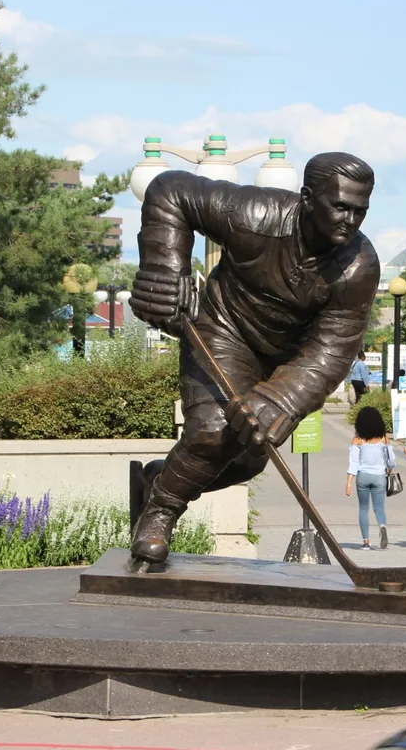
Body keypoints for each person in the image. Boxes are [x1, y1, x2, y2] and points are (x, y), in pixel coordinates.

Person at [126, 152, 379, 565]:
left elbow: (334, 349)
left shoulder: (358, 267)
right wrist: (165, 267)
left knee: (246, 461)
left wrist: (282, 398)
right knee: (213, 431)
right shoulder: (254, 213)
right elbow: (170, 191)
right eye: (340, 207)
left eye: (359, 211)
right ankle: (161, 511)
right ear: (307, 198)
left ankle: (160, 479)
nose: (350, 220)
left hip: (285, 362)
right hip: (224, 330)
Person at [346, 406, 396, 550]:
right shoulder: (383, 439)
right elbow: (391, 461)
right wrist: (389, 469)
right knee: (379, 507)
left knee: (363, 508)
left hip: (363, 476)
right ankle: (382, 526)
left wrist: (349, 482)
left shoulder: (357, 440)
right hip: (379, 476)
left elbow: (353, 462)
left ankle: (366, 542)